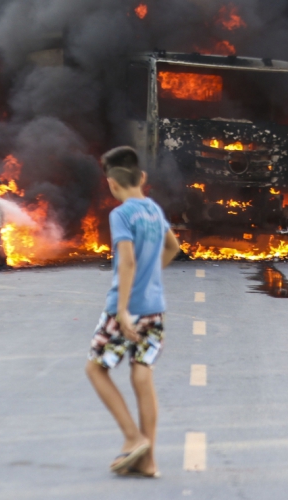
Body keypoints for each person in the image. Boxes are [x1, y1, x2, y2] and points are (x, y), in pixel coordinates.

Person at [85, 146, 180, 478]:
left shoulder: (121, 214)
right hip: (155, 309)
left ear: (111, 184)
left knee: (96, 368)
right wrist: (151, 278)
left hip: (124, 309)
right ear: (142, 178)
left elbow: (125, 261)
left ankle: (132, 436)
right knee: (142, 376)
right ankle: (149, 460)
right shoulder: (154, 210)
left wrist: (123, 310)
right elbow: (174, 247)